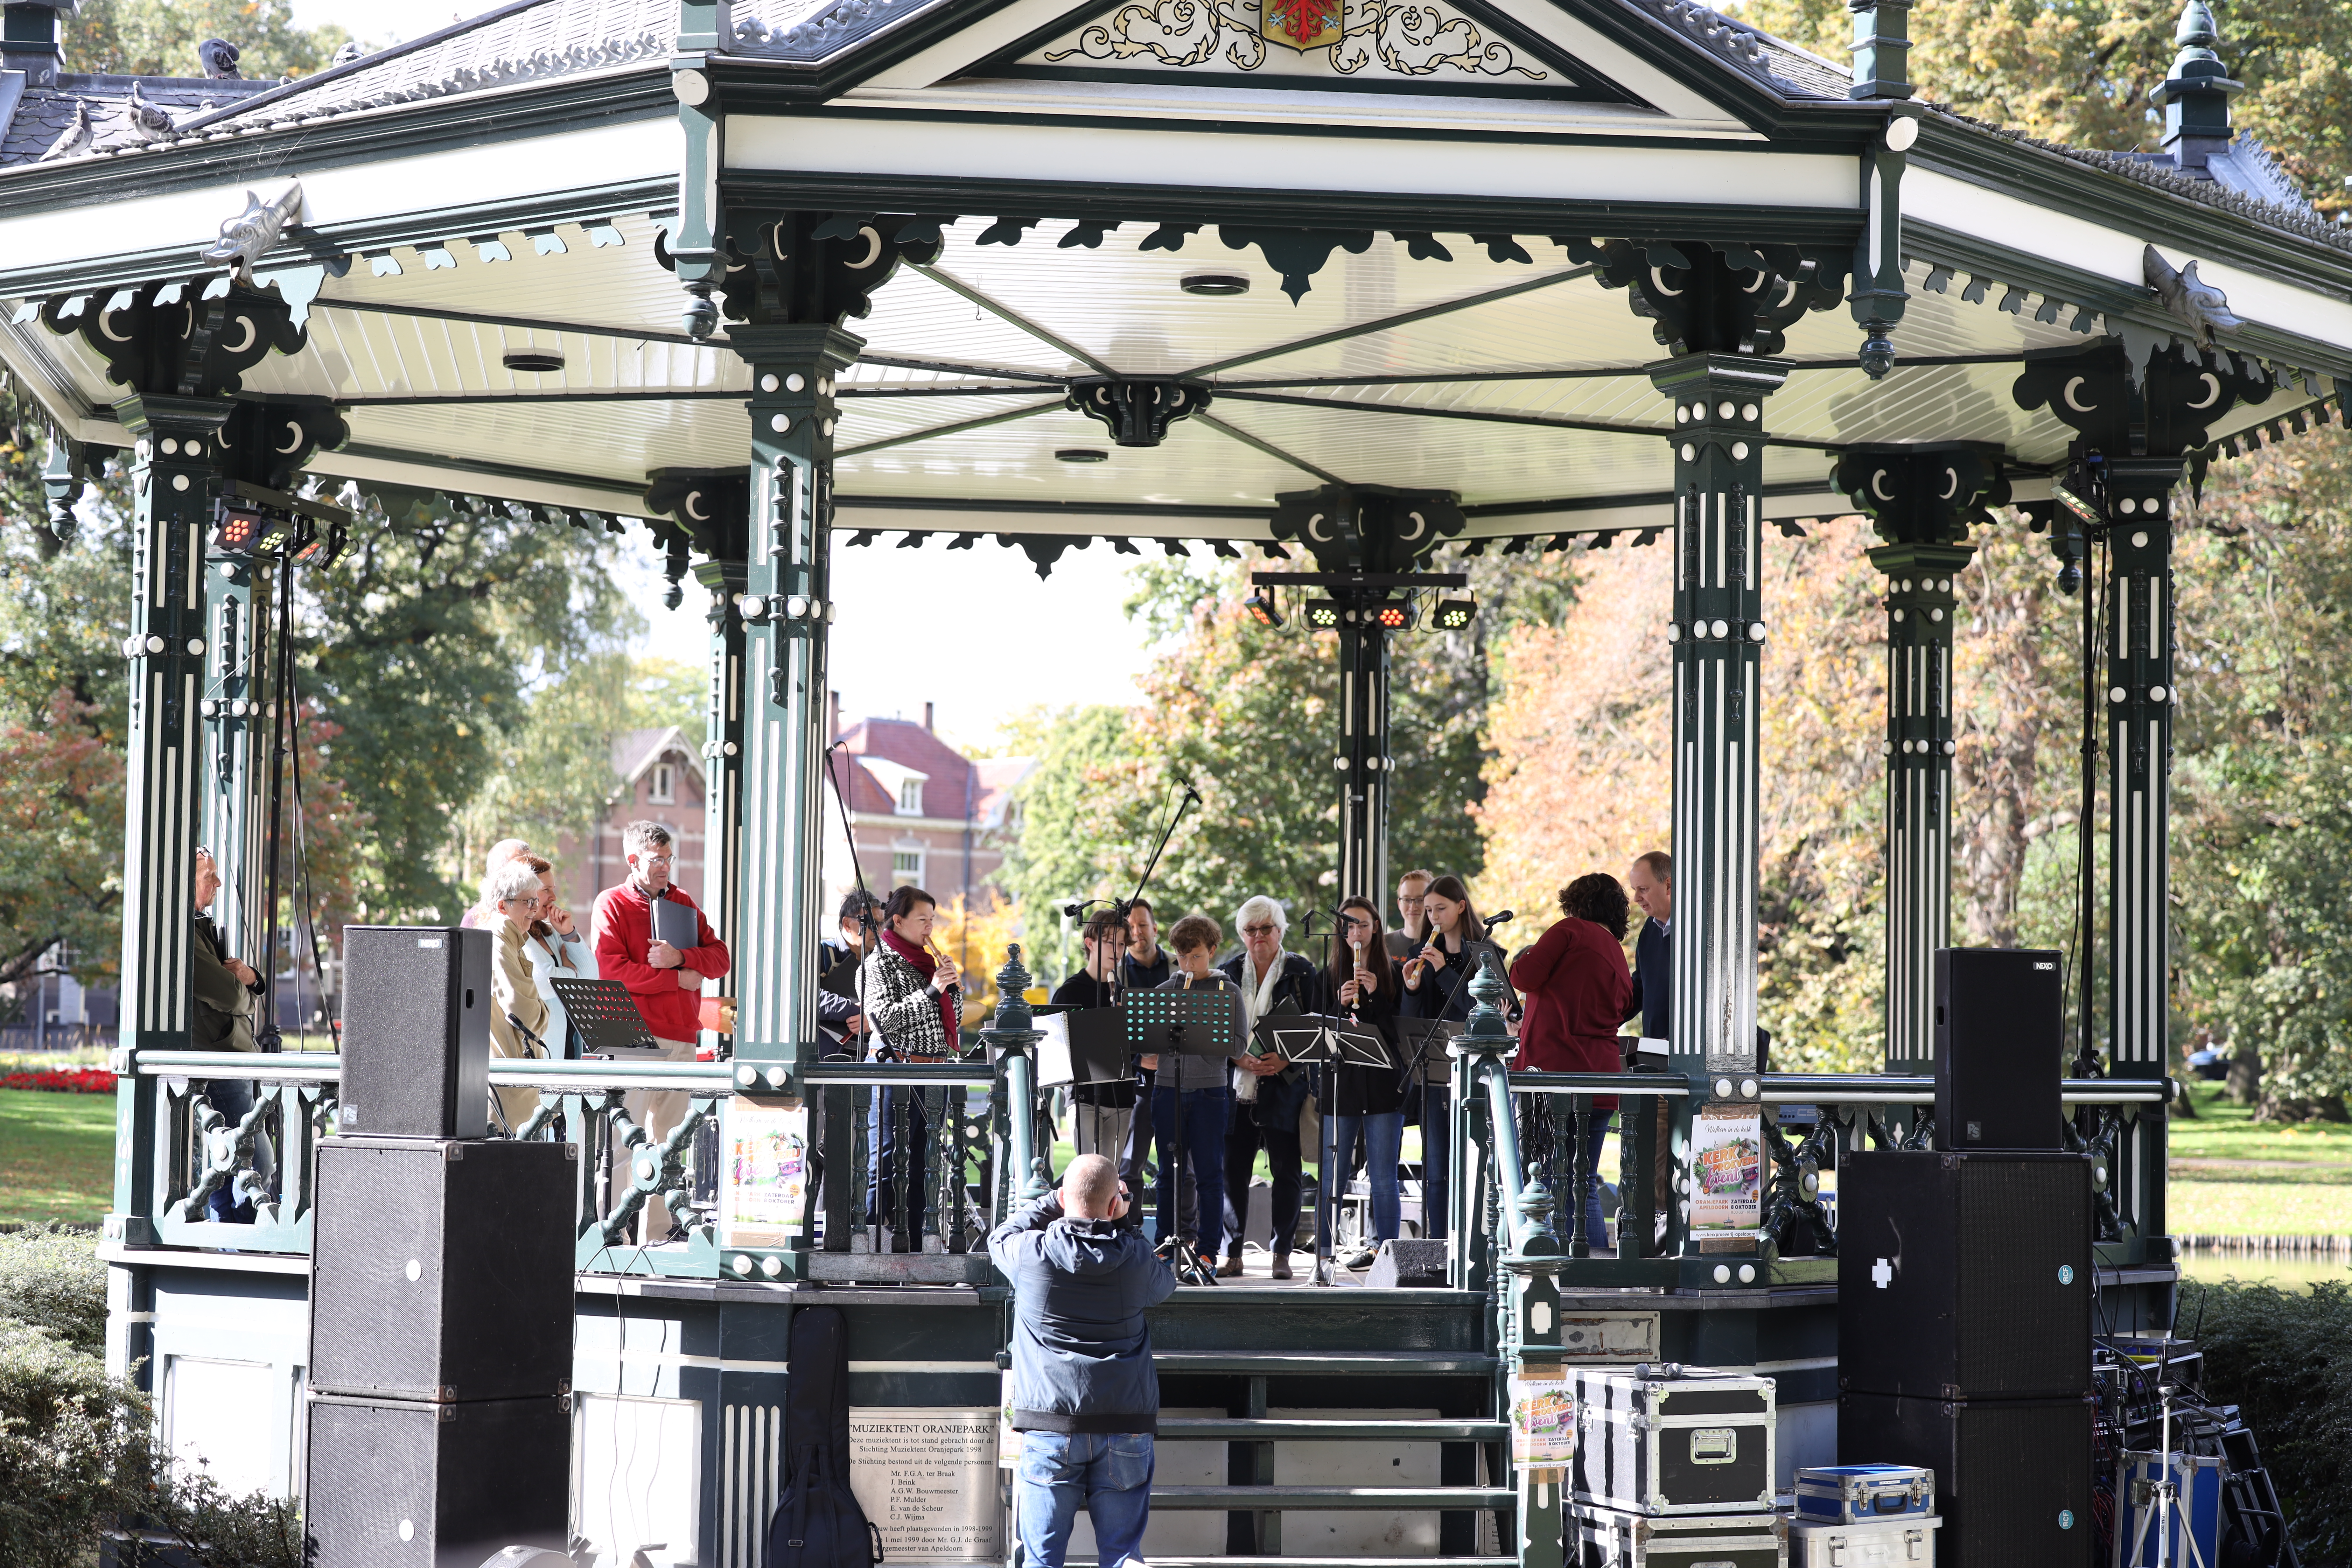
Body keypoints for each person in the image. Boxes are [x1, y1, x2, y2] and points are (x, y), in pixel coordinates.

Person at [988, 1153, 1174, 1568]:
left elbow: (1000, 1236)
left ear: (1063, 1198)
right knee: (1123, 1554)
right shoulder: (1136, 1258)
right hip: (1125, 1424)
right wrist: (1125, 1221)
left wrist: (1052, 1201)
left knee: (1041, 1558)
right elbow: (1166, 1283)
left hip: (1051, 1427)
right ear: (1115, 1204)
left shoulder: (1033, 1254)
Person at [594, 821, 732, 1241]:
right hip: (631, 1034)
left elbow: (720, 958)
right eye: (657, 860)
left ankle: (656, 1236)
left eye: (669, 859)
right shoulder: (611, 903)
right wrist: (677, 977)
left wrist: (680, 956)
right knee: (626, 1143)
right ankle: (614, 1235)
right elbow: (611, 971)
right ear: (633, 859)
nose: (665, 868)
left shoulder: (683, 903)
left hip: (682, 1038)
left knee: (670, 1145)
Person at [1511, 873, 1635, 1248]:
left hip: (1554, 1076)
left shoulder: (1569, 931)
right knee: (1586, 1184)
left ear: (1576, 903)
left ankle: (1547, 1269)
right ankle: (1594, 1272)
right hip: (1601, 1080)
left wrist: (1526, 957)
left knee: (1545, 1180)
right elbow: (1625, 1005)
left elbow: (1523, 975)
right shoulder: (1615, 950)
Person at [1217, 896, 1323, 1280]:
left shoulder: (1301, 972)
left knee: (1287, 1172)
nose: (1259, 936)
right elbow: (1216, 1032)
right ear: (1242, 934)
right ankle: (1232, 1253)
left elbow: (1315, 1028)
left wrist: (1287, 1060)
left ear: (1281, 931)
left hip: (1284, 1086)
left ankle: (1282, 1252)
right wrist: (1237, 1058)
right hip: (1237, 1086)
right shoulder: (1226, 972)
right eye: (1251, 930)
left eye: (1267, 928)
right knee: (1233, 1173)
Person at [860, 885, 963, 1242]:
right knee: (886, 1160)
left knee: (926, 1162)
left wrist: (952, 990)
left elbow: (955, 1021)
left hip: (934, 1070)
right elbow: (883, 1020)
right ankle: (871, 1242)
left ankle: (917, 1243)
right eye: (923, 920)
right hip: (896, 1070)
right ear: (898, 920)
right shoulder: (878, 963)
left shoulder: (930, 962)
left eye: (932, 920)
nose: (929, 928)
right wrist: (933, 990)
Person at [1398, 874, 1496, 1242]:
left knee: (1470, 1166)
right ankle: (1438, 1244)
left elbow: (1474, 1009)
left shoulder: (1484, 954)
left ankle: (1470, 1244)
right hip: (1434, 1074)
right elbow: (1413, 1015)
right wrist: (1411, 986)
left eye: (1441, 908)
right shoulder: (1419, 952)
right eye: (1428, 911)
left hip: (1473, 1074)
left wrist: (1441, 971)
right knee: (1436, 1168)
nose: (1434, 917)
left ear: (1461, 906)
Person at [1137, 913, 1234, 1270]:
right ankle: (1166, 1245)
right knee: (1167, 1173)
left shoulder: (1228, 990)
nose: (1188, 964)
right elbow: (1146, 1051)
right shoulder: (1165, 993)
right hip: (1168, 1090)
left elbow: (1237, 1045)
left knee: (1209, 1174)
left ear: (1211, 951)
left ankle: (1208, 1251)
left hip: (1210, 1093)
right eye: (1182, 956)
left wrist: (1202, 1031)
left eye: (1196, 956)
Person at [191, 847, 272, 1224]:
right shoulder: (186, 934)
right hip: (219, 1060)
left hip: (230, 1056)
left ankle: (230, 1243)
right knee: (252, 1161)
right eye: (210, 877)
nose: (218, 883)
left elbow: (240, 985)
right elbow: (227, 993)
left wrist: (249, 979)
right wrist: (244, 990)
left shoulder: (199, 927)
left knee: (232, 1169)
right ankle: (237, 1247)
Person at [1328, 897, 1404, 1271]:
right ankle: (1325, 1252)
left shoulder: (1394, 972)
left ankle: (1385, 1250)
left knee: (1383, 1174)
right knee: (1334, 1172)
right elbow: (1318, 1029)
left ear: (1376, 926)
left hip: (1382, 1086)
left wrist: (1374, 1000)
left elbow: (1398, 1036)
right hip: (1342, 1085)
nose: (1355, 933)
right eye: (1349, 926)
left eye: (1362, 924)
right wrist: (1339, 1008)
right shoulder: (1326, 974)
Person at [1053, 910, 1135, 1160]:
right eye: (1111, 942)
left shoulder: (1124, 995)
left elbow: (1137, 1048)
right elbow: (1058, 1049)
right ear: (1090, 944)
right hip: (1084, 1096)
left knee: (1111, 1175)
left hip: (1121, 1097)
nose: (1117, 950)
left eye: (1121, 944)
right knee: (1088, 1170)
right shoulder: (1069, 992)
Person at [1625, 850, 1674, 1238]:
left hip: (1700, 1068)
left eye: (1643, 889)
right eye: (1634, 890)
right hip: (1658, 1066)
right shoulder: (1649, 934)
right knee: (1654, 1160)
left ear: (1669, 884)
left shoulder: (1698, 932)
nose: (1637, 898)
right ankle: (1661, 1234)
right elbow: (1637, 991)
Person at [486, 859, 551, 1134]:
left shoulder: (514, 941)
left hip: (515, 1081)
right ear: (503, 906)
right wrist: (544, 1011)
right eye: (528, 903)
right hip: (508, 1086)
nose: (534, 911)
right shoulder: (499, 942)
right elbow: (523, 1013)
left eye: (535, 903)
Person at [516, 854, 595, 1060]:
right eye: (546, 890)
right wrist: (571, 970)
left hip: (569, 1048)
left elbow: (590, 981)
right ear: (527, 892)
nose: (554, 897)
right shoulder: (517, 934)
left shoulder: (552, 933)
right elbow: (544, 983)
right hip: (540, 1053)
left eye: (554, 889)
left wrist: (569, 934)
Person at [817, 890, 875, 1058]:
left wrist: (872, 1019)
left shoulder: (880, 962)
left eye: (881, 924)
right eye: (870, 923)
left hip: (866, 1060)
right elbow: (805, 998)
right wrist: (853, 1012)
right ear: (848, 924)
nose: (878, 930)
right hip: (822, 1060)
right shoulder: (819, 953)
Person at [460, 838, 532, 929]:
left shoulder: (533, 914)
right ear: (499, 871)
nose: (531, 871)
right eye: (521, 864)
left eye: (532, 865)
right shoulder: (474, 918)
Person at [1386, 869, 1433, 961]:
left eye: (1420, 900)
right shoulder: (1383, 944)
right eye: (1407, 900)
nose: (1413, 907)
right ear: (1399, 904)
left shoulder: (1445, 945)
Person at [1123, 899, 1170, 991]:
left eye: (1143, 925)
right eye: (1131, 927)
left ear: (1155, 930)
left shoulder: (1180, 965)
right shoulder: (1115, 973)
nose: (1137, 932)